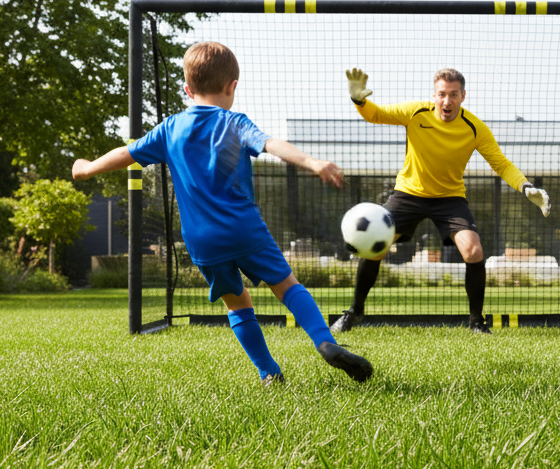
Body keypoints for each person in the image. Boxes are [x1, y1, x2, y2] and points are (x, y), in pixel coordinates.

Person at [72, 41, 372, 384]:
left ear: (187, 89)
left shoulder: (170, 129)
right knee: (287, 287)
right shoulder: (234, 122)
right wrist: (313, 162)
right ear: (232, 86)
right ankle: (326, 343)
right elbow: (271, 143)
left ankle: (269, 373)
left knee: (237, 304)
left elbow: (125, 153)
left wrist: (85, 169)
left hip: (201, 240)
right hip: (243, 228)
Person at [331, 67, 550, 335]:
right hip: (409, 194)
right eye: (442, 95)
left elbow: (501, 164)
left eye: (454, 95)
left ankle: (476, 323)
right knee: (375, 247)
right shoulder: (415, 112)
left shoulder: (474, 127)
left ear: (463, 96)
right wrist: (358, 100)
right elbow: (376, 114)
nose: (447, 101)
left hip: (450, 198)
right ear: (433, 95)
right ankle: (355, 311)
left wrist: (525, 186)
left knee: (474, 251)